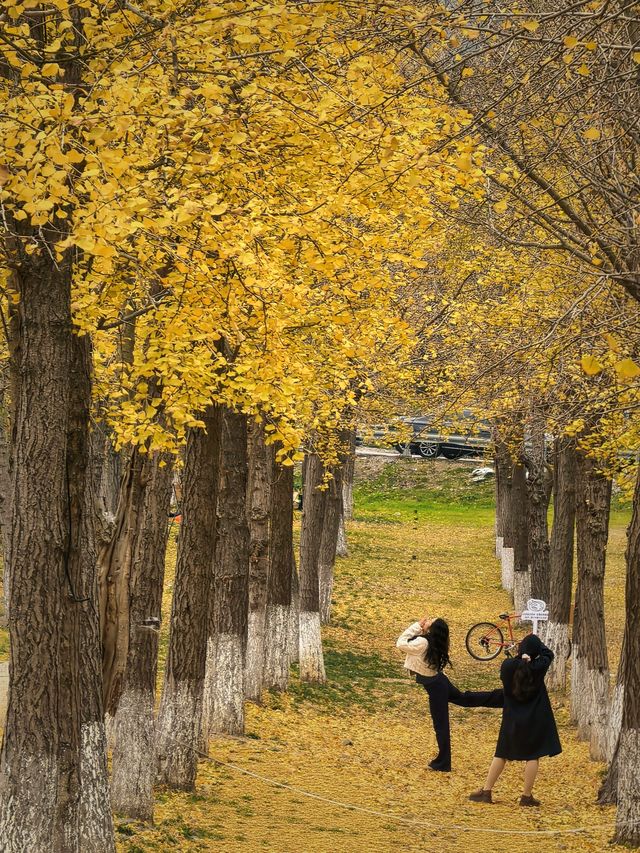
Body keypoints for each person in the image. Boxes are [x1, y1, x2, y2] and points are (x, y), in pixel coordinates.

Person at [396, 617, 503, 772]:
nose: (425, 621)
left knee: (441, 725)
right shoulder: (430, 641)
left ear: (432, 630)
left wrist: (417, 626)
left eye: (429, 622)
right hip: (439, 681)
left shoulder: (423, 642)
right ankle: (501, 697)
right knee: (464, 699)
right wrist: (422, 629)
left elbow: (400, 643)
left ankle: (443, 762)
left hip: (436, 686)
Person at [468, 633, 561, 806]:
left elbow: (509, 670)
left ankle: (487, 791)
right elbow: (549, 654)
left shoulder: (507, 666)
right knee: (533, 756)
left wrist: (520, 655)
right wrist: (536, 649)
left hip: (512, 717)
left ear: (521, 649)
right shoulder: (539, 666)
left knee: (501, 753)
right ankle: (526, 796)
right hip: (533, 718)